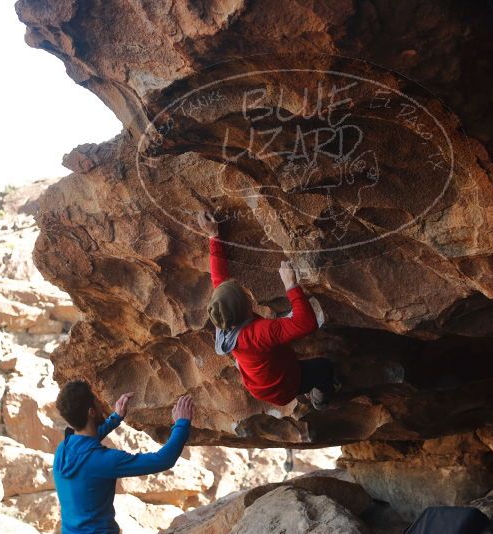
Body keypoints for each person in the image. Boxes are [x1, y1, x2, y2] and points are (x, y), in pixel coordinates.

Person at [197, 211, 338, 410]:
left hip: (260, 383)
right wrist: (291, 285)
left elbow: (219, 280)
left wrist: (214, 235)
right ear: (246, 308)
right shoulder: (259, 333)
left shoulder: (223, 318)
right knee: (324, 367)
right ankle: (320, 399)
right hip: (282, 387)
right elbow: (306, 323)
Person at [53, 381, 193, 534]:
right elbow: (163, 460)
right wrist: (182, 422)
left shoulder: (64, 449)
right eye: (97, 401)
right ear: (91, 412)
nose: (101, 402)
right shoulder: (104, 461)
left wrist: (116, 417)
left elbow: (88, 441)